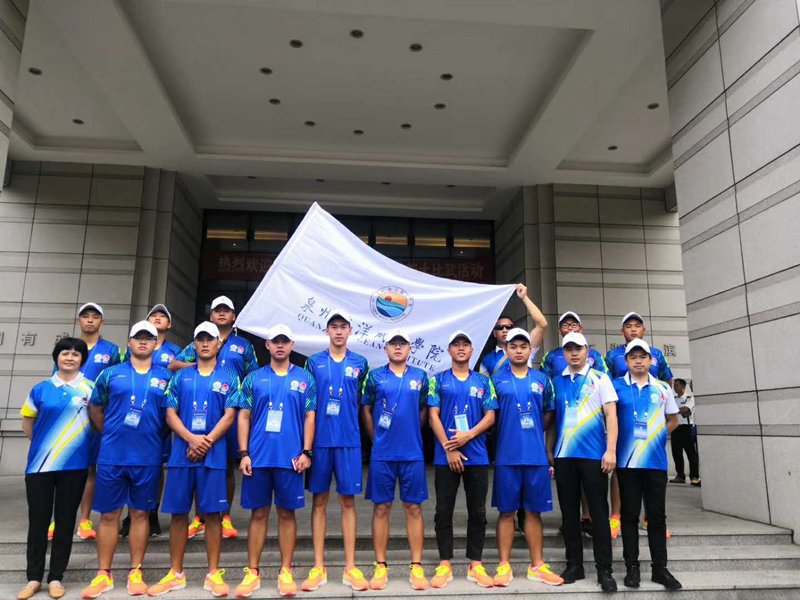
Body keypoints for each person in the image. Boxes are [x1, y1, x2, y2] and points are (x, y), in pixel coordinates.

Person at [80, 322, 173, 599]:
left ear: (156, 344)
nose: (143, 341)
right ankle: (103, 574)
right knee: (109, 514)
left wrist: (153, 434)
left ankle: (135, 571)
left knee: (140, 514)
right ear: (129, 342)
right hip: (112, 456)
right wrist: (110, 432)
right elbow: (95, 408)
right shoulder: (110, 373)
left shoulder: (166, 377)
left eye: (149, 338)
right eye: (138, 337)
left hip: (148, 456)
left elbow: (170, 416)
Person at [146, 322, 239, 598]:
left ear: (219, 344)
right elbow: (170, 414)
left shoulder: (229, 377)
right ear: (194, 345)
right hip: (182, 455)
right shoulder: (180, 377)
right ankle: (176, 573)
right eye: (200, 339)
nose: (205, 343)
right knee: (178, 515)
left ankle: (213, 573)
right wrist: (191, 439)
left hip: (214, 456)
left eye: (210, 339)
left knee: (212, 515)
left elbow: (230, 416)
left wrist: (204, 441)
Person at [234, 324, 317, 598]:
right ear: (267, 345)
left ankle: (285, 571)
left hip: (290, 459)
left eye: (285, 341)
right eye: (275, 341)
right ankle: (252, 572)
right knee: (258, 515)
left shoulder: (305, 378)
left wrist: (306, 452)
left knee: (286, 514)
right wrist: (244, 453)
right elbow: (243, 416)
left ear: (292, 345)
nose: (280, 345)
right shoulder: (253, 378)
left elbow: (310, 417)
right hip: (258, 458)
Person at [169, 296, 258, 540]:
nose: (221, 313)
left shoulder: (244, 345)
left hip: (230, 411)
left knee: (225, 464)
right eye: (217, 310)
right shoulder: (199, 342)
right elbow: (174, 364)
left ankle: (224, 515)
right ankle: (199, 518)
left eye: (226, 310)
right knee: (198, 465)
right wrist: (199, 367)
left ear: (234, 316)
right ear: (211, 315)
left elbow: (253, 375)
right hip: (199, 408)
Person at [19, 338, 94, 600]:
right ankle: (33, 578)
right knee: (38, 521)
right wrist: (48, 447)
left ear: (82, 359)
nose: (70, 358)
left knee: (65, 521)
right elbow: (28, 424)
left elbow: (98, 421)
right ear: (56, 357)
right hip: (40, 466)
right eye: (65, 353)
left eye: (76, 354)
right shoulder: (40, 389)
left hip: (75, 466)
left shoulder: (90, 389)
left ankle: (55, 577)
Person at [301, 311, 369, 592]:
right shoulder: (313, 362)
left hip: (349, 440)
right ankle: (318, 567)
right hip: (320, 441)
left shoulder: (360, 363)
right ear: (326, 331)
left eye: (343, 327)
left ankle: (350, 567)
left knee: (348, 502)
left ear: (350, 331)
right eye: (334, 327)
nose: (339, 331)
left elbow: (362, 401)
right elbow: (307, 403)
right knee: (319, 501)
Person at [489, 328, 563, 587]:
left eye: (523, 346)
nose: (518, 350)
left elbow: (549, 411)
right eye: (513, 346)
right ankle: (504, 565)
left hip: (535, 456)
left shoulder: (542, 379)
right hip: (507, 456)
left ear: (530, 350)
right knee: (506, 513)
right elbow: (491, 415)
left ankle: (537, 565)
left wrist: (534, 432)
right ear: (506, 349)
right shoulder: (496, 380)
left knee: (533, 512)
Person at [427, 331, 497, 589]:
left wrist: (469, 435)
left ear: (472, 350)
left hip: (476, 456)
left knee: (477, 511)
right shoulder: (438, 380)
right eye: (455, 344)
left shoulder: (483, 381)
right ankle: (444, 563)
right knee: (443, 511)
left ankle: (475, 564)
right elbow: (433, 416)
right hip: (446, 457)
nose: (460, 347)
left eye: (465, 344)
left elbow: (490, 416)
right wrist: (449, 448)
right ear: (449, 350)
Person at [361, 329, 430, 591]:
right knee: (381, 508)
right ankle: (381, 565)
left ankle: (416, 566)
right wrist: (376, 438)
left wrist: (412, 432)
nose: (398, 347)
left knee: (413, 508)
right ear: (385, 348)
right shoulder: (375, 376)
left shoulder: (420, 376)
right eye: (393, 343)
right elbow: (366, 408)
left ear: (410, 348)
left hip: (412, 452)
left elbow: (423, 409)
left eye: (403, 343)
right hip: (383, 453)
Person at [549, 332, 619, 592]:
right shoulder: (556, 381)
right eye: (568, 349)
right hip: (564, 456)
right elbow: (553, 420)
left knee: (599, 513)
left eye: (578, 348)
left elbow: (611, 416)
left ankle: (604, 569)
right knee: (569, 513)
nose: (574, 353)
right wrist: (549, 449)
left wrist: (610, 450)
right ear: (564, 353)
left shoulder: (600, 378)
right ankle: (574, 565)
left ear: (587, 351)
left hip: (593, 455)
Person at [612, 339, 682, 590]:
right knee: (629, 515)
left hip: (655, 462)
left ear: (651, 360)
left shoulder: (662, 388)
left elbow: (673, 419)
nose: (638, 361)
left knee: (656, 516)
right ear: (626, 361)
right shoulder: (616, 386)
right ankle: (632, 568)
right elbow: (608, 418)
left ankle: (660, 569)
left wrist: (658, 435)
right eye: (633, 357)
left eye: (643, 356)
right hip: (627, 462)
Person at [49, 303, 122, 543]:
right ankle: (58, 520)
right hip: (68, 417)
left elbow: (115, 382)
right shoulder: (67, 348)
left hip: (96, 416)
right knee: (62, 468)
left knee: (91, 468)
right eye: (85, 316)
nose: (90, 320)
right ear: (78, 320)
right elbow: (55, 380)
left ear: (102, 322)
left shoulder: (112, 350)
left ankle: (84, 520)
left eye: (95, 317)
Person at [605, 312, 674, 539]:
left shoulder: (656, 355)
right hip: (625, 427)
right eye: (628, 326)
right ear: (622, 331)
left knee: (650, 475)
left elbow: (667, 380)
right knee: (622, 472)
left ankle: (650, 518)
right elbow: (607, 387)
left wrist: (658, 431)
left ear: (644, 330)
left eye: (637, 325)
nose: (633, 329)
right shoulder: (612, 356)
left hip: (650, 426)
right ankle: (616, 515)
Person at [120, 304, 182, 539]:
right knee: (129, 466)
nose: (157, 318)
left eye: (162, 316)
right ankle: (131, 513)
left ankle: (151, 511)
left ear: (169, 325)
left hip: (159, 420)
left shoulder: (176, 351)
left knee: (156, 466)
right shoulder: (129, 353)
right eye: (153, 315)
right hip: (129, 423)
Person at [479, 283, 547, 376]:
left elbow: (542, 324)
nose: (504, 330)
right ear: (494, 333)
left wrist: (524, 297)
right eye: (500, 328)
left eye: (508, 327)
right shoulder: (487, 359)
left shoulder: (526, 346)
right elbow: (484, 383)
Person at [540, 312, 608, 379]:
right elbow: (544, 381)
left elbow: (605, 378)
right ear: (559, 330)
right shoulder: (551, 356)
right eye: (565, 325)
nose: (570, 328)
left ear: (580, 329)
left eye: (574, 325)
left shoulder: (595, 355)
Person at [671, 379, 700, 486]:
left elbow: (685, 409)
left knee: (691, 453)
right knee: (676, 453)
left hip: (687, 428)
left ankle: (694, 476)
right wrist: (678, 411)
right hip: (675, 428)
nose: (674, 387)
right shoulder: (673, 399)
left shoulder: (689, 398)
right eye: (674, 385)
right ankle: (680, 475)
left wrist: (674, 411)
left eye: (677, 385)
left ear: (683, 386)